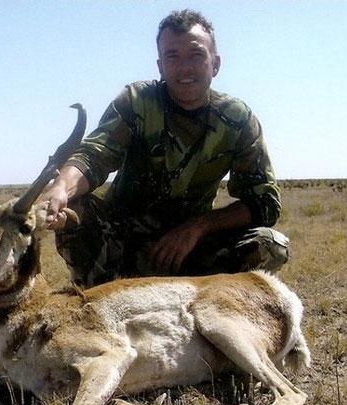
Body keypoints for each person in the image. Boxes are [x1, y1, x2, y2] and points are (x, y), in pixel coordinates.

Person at [43, 9, 289, 288]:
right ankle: (99, 300)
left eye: (196, 55)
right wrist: (63, 187)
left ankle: (211, 310)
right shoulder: (137, 101)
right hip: (121, 243)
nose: (184, 67)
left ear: (215, 64)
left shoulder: (238, 120)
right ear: (160, 66)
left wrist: (198, 228)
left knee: (271, 245)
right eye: (172, 56)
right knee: (75, 209)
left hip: (190, 250)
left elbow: (265, 203)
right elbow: (94, 156)